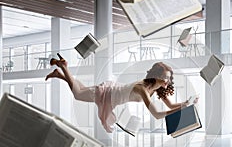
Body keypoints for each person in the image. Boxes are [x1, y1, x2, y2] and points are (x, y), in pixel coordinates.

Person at [45, 54, 191, 133]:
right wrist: (182, 109)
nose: (167, 80)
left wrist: (185, 104)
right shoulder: (142, 88)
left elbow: (171, 105)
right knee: (78, 93)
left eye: (169, 78)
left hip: (111, 93)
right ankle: (63, 67)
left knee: (82, 90)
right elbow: (157, 114)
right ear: (157, 76)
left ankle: (60, 74)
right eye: (165, 77)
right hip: (107, 93)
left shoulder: (158, 88)